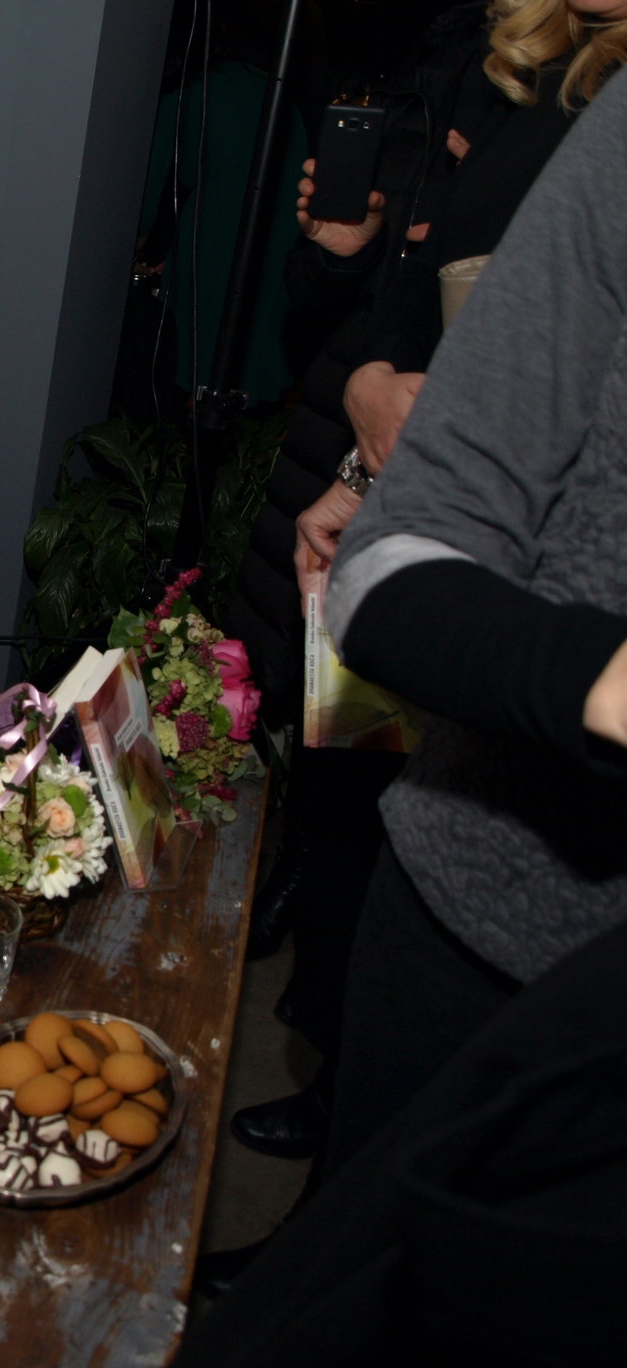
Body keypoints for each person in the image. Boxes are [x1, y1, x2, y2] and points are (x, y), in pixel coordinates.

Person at [220, 0, 626, 1162]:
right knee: (351, 787)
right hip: (399, 503)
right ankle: (332, 1114)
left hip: (458, 544)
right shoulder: (515, 79)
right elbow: (413, 286)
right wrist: (359, 348)